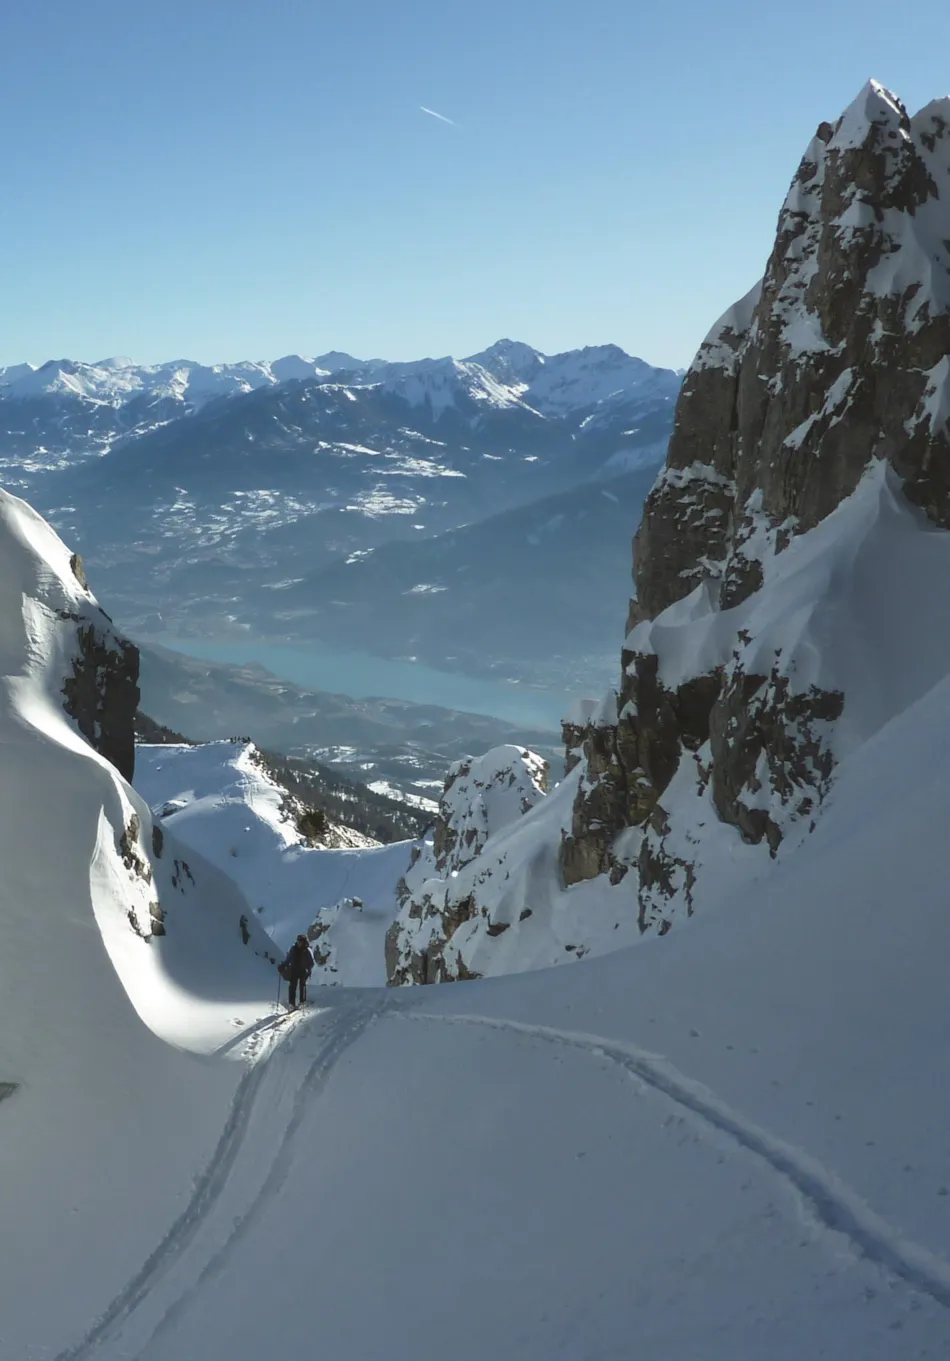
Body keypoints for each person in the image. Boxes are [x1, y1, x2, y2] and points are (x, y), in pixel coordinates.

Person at [282, 934, 314, 1009]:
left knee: (302, 985)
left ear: (304, 942)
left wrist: (308, 969)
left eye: (301, 941)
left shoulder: (307, 950)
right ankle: (291, 1003)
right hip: (294, 969)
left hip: (303, 971)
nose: (299, 942)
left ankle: (302, 1001)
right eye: (298, 941)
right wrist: (283, 965)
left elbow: (311, 962)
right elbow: (288, 959)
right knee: (292, 986)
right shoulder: (293, 949)